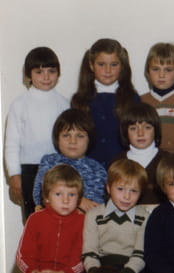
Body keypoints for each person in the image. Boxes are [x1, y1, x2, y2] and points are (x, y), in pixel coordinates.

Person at [5, 46, 68, 218]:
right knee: (34, 217)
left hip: (58, 168)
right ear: (29, 75)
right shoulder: (20, 104)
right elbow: (12, 143)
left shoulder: (64, 104)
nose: (46, 77)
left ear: (58, 73)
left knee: (59, 216)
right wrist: (14, 174)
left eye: (51, 71)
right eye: (39, 72)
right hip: (30, 170)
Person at [82, 159, 150, 273]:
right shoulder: (93, 215)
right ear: (108, 188)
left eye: (134, 191)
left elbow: (140, 254)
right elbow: (90, 251)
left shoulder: (144, 217)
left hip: (131, 269)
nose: (127, 196)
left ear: (141, 193)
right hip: (100, 267)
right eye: (120, 189)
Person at [71, 38, 139, 168]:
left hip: (122, 169)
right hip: (88, 168)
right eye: (101, 64)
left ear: (122, 66)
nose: (108, 70)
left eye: (114, 64)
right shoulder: (79, 100)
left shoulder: (132, 99)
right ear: (91, 66)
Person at [32, 108, 107, 213]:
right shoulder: (49, 162)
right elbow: (39, 195)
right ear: (57, 138)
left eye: (80, 136)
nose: (73, 141)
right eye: (66, 135)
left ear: (89, 139)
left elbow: (95, 206)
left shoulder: (97, 169)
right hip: (53, 217)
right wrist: (79, 201)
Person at [110, 103, 169, 205]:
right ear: (125, 132)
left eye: (147, 127)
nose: (140, 133)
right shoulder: (117, 162)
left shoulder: (168, 161)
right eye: (133, 128)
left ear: (156, 130)